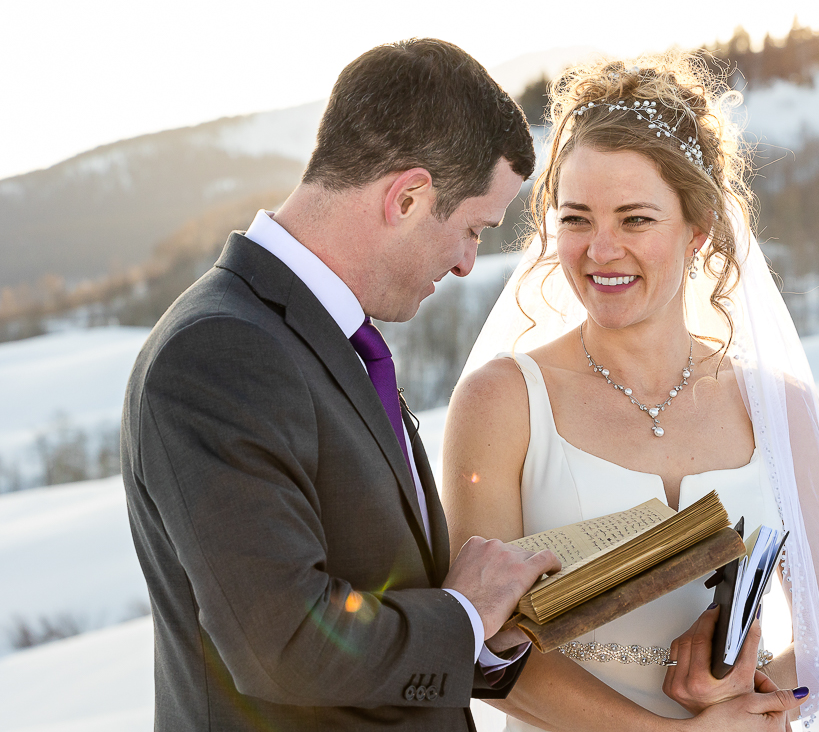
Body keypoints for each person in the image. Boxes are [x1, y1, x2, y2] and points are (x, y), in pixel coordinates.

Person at [441, 54, 819, 731]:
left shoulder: (780, 407)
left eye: (634, 219)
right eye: (575, 220)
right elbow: (486, 652)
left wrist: (748, 694)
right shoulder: (503, 403)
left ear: (699, 229)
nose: (600, 250)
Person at [121, 38, 562, 732]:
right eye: (474, 229)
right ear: (409, 196)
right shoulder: (218, 352)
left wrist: (480, 629)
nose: (469, 264)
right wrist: (463, 613)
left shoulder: (323, 338)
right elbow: (286, 644)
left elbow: (374, 590)